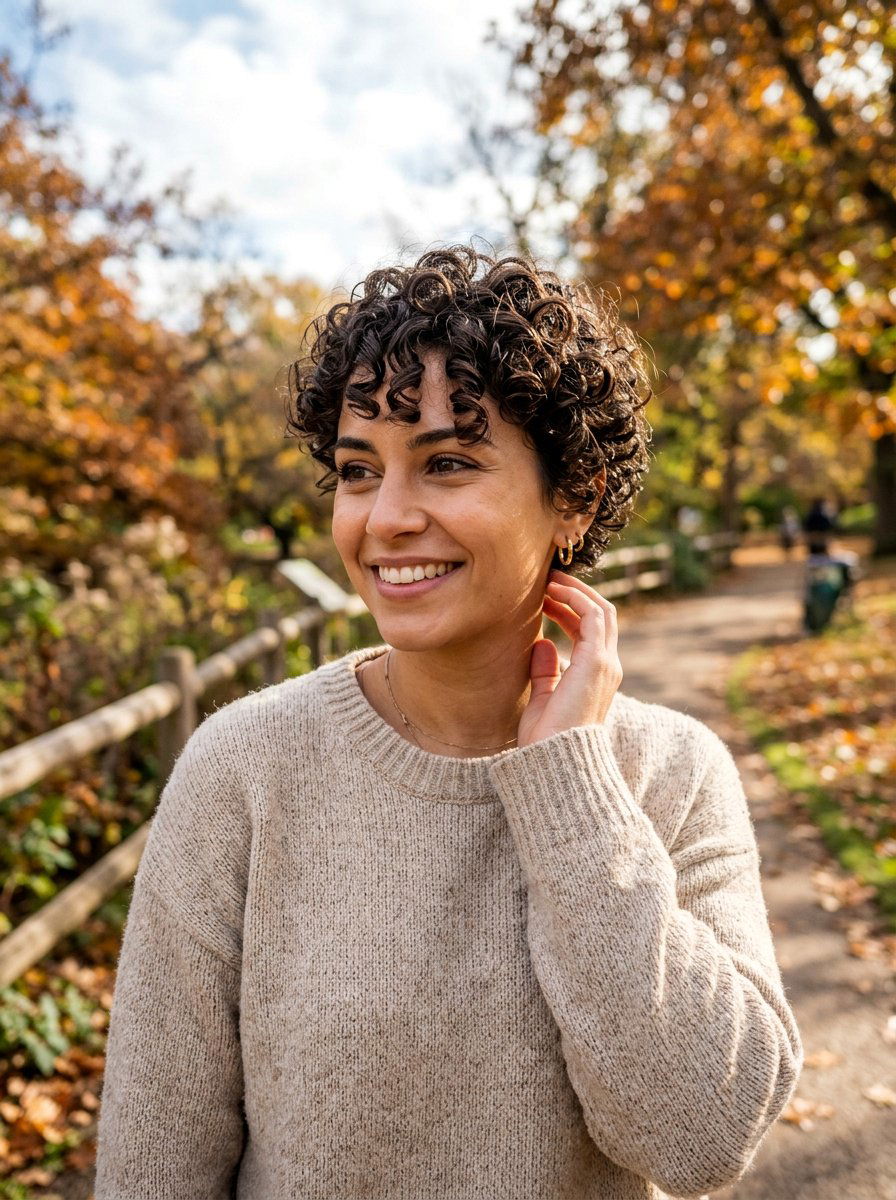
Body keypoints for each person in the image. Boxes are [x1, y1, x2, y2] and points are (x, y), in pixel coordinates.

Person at [94, 245, 803, 1200]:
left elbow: (703, 1138)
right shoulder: (244, 770)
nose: (385, 517)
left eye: (449, 463)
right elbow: (154, 1162)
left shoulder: (672, 774)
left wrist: (574, 794)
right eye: (357, 470)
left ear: (574, 499)